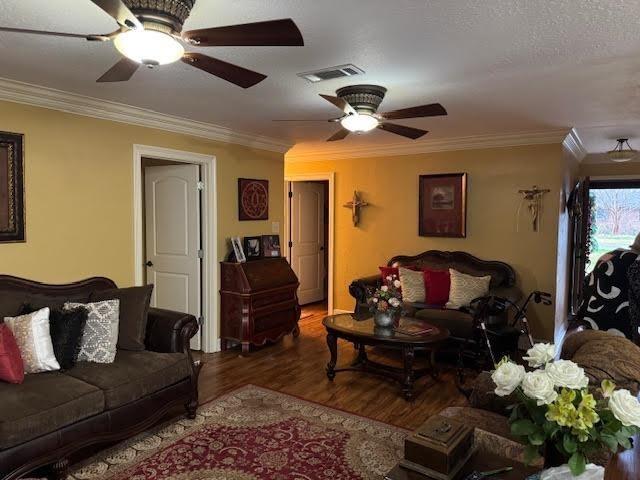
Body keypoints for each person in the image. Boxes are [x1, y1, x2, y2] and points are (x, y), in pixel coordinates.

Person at [577, 233, 640, 340]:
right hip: (618, 329)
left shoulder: (611, 254)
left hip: (589, 321)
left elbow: (586, 282)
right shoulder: (636, 263)